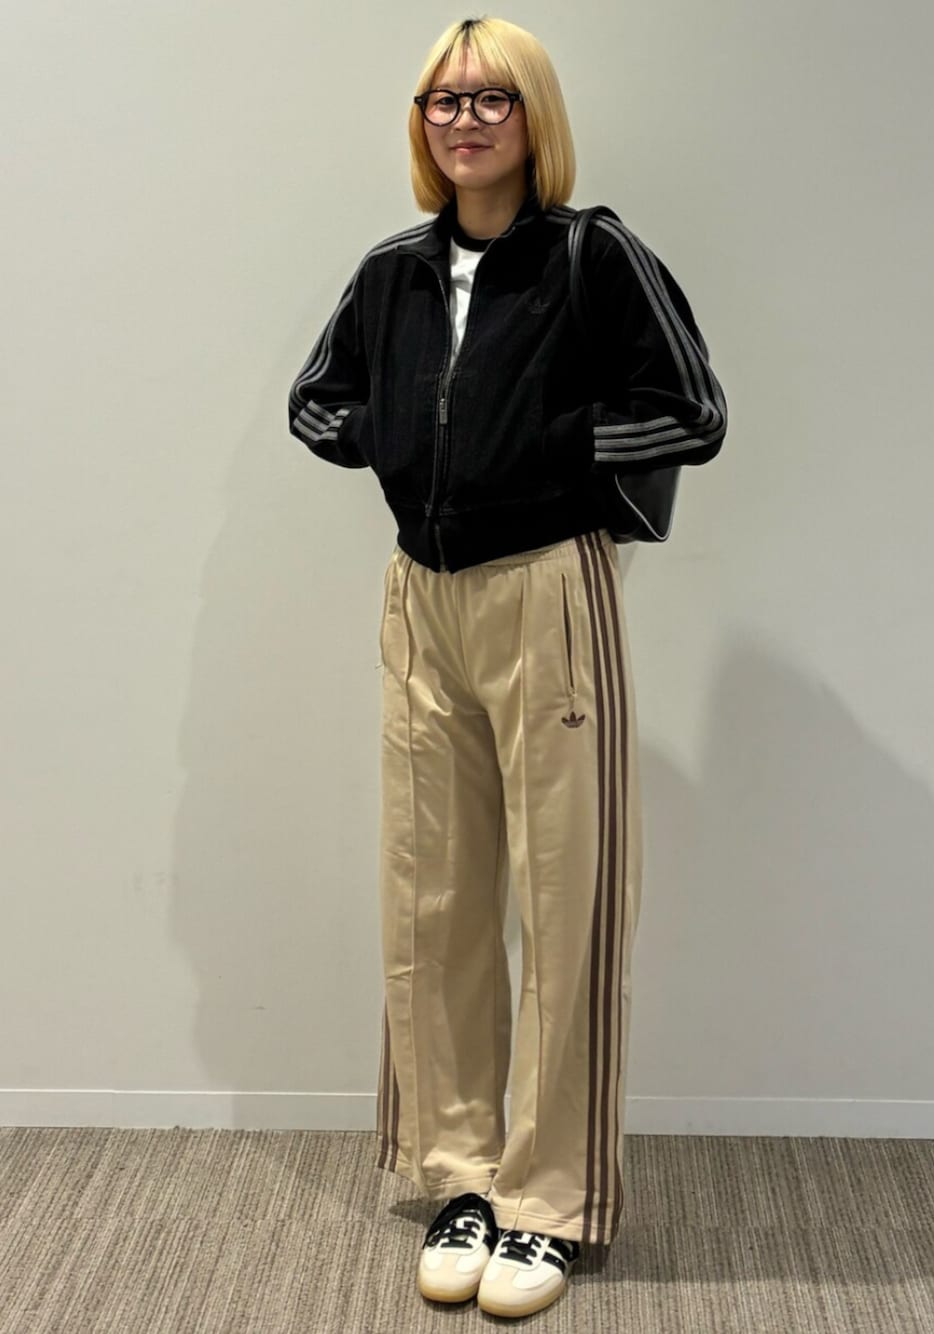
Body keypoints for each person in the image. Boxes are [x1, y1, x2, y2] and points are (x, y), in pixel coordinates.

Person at [288, 15, 727, 1319]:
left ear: (535, 118)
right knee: (434, 895)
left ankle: (548, 1201)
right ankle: (460, 1174)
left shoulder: (593, 254)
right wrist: (402, 445)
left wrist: (537, 445)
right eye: (444, 99)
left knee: (566, 895)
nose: (465, 119)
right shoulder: (393, 273)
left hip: (548, 588)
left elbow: (692, 410)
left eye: (492, 98)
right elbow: (318, 403)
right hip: (420, 596)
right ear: (421, 123)